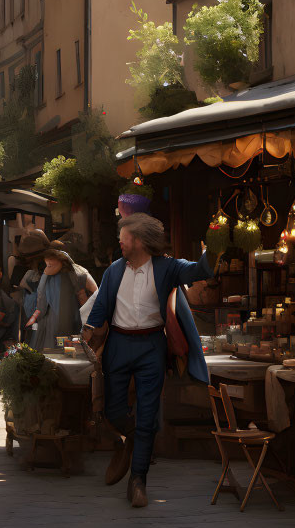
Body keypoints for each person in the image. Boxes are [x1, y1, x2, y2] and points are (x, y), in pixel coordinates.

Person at [82, 214, 215, 508]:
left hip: (151, 347)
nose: (120, 241)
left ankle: (138, 481)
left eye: (124, 237)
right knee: (113, 411)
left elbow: (201, 270)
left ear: (139, 241)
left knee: (147, 414)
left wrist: (215, 246)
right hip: (118, 344)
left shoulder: (168, 267)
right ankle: (135, 439)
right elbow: (101, 306)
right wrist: (89, 330)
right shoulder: (114, 271)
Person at [26, 246, 97, 352]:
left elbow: (41, 305)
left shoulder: (48, 277)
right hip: (72, 325)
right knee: (68, 354)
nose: (47, 267)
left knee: (56, 354)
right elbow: (96, 293)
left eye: (50, 264)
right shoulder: (78, 273)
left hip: (54, 327)